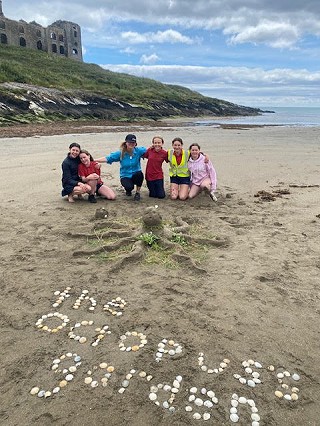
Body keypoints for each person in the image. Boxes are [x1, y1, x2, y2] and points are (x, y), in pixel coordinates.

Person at [95, 134, 147, 201]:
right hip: (125, 175)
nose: (131, 144)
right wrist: (93, 160)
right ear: (126, 143)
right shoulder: (120, 153)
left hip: (136, 173)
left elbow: (150, 152)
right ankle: (128, 190)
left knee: (139, 174)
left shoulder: (139, 150)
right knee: (129, 187)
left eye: (133, 142)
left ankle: (137, 192)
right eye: (129, 142)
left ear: (135, 143)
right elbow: (108, 158)